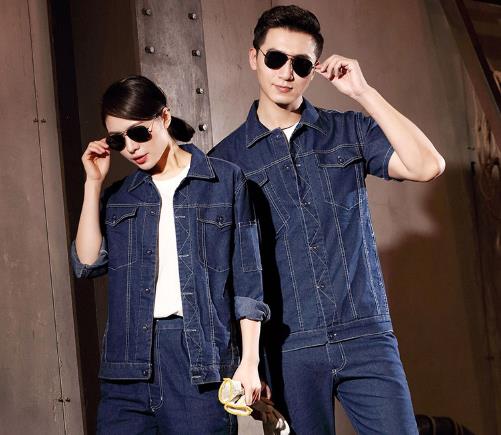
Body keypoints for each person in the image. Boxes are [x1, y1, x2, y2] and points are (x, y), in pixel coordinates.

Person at [209, 5, 445, 434]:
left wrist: (363, 92)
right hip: (288, 349)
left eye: (300, 64)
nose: (286, 73)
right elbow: (229, 275)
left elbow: (428, 165)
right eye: (275, 58)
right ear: (254, 57)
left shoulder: (348, 131)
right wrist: (247, 362)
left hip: (365, 335)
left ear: (314, 69)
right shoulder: (225, 162)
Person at [70, 75, 270, 434]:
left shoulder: (224, 181)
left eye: (139, 132)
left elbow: (248, 282)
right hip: (126, 366)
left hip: (197, 360)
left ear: (164, 117)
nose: (131, 147)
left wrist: (250, 362)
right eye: (118, 140)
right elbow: (86, 263)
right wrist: (93, 183)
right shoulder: (120, 197)